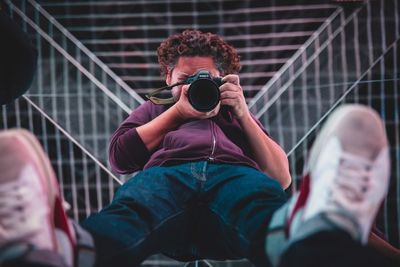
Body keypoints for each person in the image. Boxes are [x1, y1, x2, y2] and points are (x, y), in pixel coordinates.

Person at [0, 29, 398, 267]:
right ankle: (66, 252)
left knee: (259, 200)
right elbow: (120, 157)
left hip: (233, 182)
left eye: (205, 77)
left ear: (224, 79)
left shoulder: (233, 114)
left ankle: (310, 245)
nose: (194, 86)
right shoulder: (156, 106)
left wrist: (242, 112)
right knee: (134, 208)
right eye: (185, 78)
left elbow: (280, 177)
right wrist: (176, 112)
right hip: (166, 181)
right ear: (168, 78)